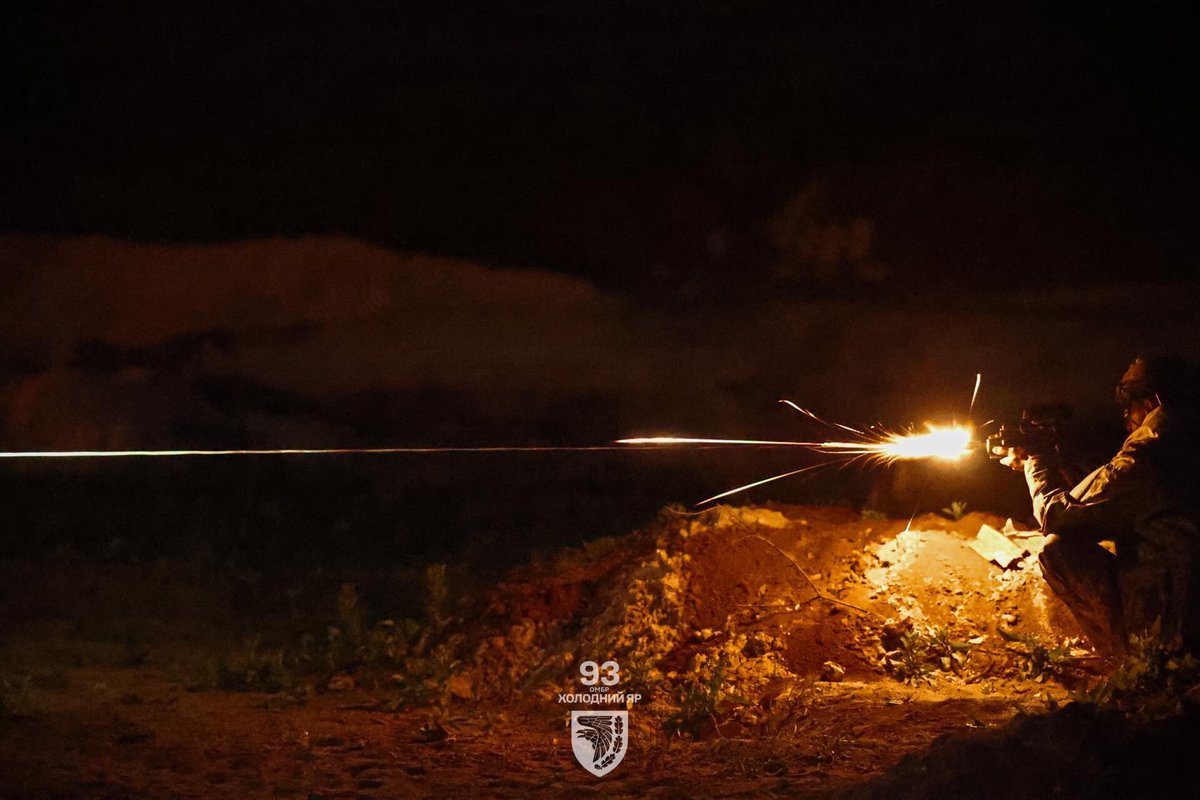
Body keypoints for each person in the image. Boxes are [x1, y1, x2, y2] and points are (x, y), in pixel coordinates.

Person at [998, 356, 1200, 658]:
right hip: (1186, 590)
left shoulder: (1149, 452)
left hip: (1180, 609)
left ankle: (1133, 661)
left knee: (1057, 549)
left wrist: (1035, 461)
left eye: (1128, 411)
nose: (1128, 422)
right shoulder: (1186, 439)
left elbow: (1056, 515)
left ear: (1150, 402)